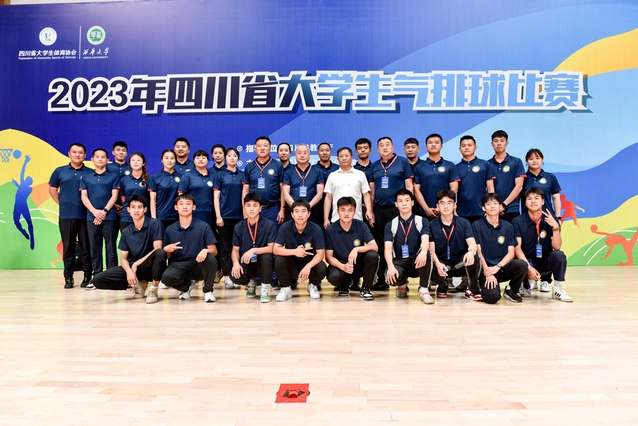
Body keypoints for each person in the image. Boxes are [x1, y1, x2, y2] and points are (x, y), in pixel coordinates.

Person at [92, 195, 166, 301]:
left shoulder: (155, 224)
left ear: (145, 209)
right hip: (134, 269)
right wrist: (129, 271)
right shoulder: (126, 231)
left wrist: (136, 264)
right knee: (98, 280)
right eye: (133, 207)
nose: (136, 210)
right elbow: (123, 258)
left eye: (139, 207)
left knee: (160, 253)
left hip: (150, 267)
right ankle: (136, 284)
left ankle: (153, 288)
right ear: (128, 210)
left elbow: (157, 249)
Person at [368, 136, 413, 290]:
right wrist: (370, 210)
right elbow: (372, 192)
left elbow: (409, 186)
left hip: (398, 210)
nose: (385, 147)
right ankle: (382, 280)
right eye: (381, 145)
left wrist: (408, 208)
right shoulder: (375, 166)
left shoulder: (403, 162)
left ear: (393, 147)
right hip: (379, 210)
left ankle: (402, 281)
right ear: (377, 149)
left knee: (400, 243)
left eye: (387, 144)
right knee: (381, 246)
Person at [513, 187, 572, 302]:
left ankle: (558, 288)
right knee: (520, 263)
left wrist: (556, 228)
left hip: (545, 261)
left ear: (543, 201)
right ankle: (525, 283)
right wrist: (528, 268)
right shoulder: (518, 221)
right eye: (529, 199)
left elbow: (557, 247)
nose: (533, 201)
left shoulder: (551, 219)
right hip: (528, 261)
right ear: (525, 203)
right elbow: (517, 249)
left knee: (559, 255)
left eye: (536, 198)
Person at [48, 143, 93, 288]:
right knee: (68, 248)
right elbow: (52, 189)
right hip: (66, 216)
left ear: (85, 155)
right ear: (69, 153)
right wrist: (62, 204)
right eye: (74, 152)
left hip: (86, 216)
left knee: (86, 247)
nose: (77, 155)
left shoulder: (90, 172)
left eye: (80, 152)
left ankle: (87, 276)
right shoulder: (60, 171)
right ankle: (68, 277)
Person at [161, 194, 219, 303]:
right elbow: (166, 256)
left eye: (188, 204)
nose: (184, 207)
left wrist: (206, 250)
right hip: (179, 266)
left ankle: (207, 291)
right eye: (181, 204)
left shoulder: (203, 226)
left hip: (198, 264)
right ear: (176, 207)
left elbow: (214, 251)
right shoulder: (169, 230)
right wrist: (166, 251)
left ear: (194, 207)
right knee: (166, 278)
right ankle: (186, 287)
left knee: (210, 258)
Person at [472, 193, 528, 304]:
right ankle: (481, 285)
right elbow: (478, 252)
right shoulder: (476, 226)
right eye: (488, 204)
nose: (492, 206)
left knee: (522, 265)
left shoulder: (508, 226)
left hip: (501, 267)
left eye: (495, 203)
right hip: (486, 269)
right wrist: (488, 272)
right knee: (492, 298)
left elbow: (511, 253)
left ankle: (511, 290)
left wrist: (498, 266)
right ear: (483, 208)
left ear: (500, 206)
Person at [428, 190, 481, 302]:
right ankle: (442, 285)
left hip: (459, 264)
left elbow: (472, 243)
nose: (446, 206)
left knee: (475, 257)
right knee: (429, 259)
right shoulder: (431, 225)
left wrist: (471, 252)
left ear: (455, 205)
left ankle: (472, 289)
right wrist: (437, 263)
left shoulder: (464, 223)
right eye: (442, 203)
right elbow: (431, 250)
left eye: (449, 203)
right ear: (437, 206)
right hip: (442, 264)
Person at [325, 196, 378, 300]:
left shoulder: (361, 226)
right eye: (343, 210)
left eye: (350, 210)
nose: (346, 213)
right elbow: (329, 257)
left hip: (357, 264)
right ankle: (344, 286)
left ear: (354, 212)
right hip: (341, 265)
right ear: (337, 211)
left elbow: (374, 246)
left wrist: (356, 249)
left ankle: (366, 289)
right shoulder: (330, 230)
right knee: (333, 276)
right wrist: (343, 266)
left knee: (373, 255)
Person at [273, 199, 327, 301]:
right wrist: (295, 252)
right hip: (292, 265)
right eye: (297, 211)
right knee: (279, 260)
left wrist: (308, 267)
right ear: (292, 214)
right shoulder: (285, 227)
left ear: (309, 214)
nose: (300, 215)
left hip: (309, 265)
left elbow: (320, 254)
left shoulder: (316, 229)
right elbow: (276, 249)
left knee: (321, 267)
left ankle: (313, 285)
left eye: (303, 211)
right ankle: (285, 288)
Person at [80, 148, 120, 281]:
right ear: (92, 159)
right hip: (91, 217)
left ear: (107, 160)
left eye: (103, 157)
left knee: (111, 248)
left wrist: (104, 212)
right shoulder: (86, 177)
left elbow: (114, 196)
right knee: (95, 248)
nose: (100, 159)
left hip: (110, 217)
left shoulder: (113, 176)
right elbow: (84, 196)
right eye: (97, 157)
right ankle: (97, 277)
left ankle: (112, 276)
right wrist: (94, 211)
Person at [384, 189, 432, 299]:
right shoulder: (390, 224)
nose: (404, 203)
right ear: (396, 204)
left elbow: (425, 241)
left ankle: (424, 288)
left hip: (416, 261)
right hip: (399, 262)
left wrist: (424, 251)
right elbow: (388, 249)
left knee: (427, 253)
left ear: (412, 202)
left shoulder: (422, 221)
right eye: (400, 201)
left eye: (407, 200)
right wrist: (390, 266)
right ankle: (402, 284)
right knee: (390, 278)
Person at [231, 192, 277, 302]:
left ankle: (264, 289)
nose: (251, 209)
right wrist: (236, 263)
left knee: (267, 257)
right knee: (234, 274)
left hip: (263, 264)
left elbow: (272, 248)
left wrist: (254, 250)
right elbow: (235, 250)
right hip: (247, 263)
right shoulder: (238, 227)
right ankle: (251, 284)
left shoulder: (269, 225)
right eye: (248, 206)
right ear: (244, 208)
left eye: (255, 206)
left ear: (260, 208)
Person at [213, 147, 246, 288]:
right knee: (225, 248)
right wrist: (218, 216)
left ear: (238, 158)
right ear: (225, 158)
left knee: (238, 247)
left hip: (240, 217)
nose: (232, 158)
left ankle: (237, 275)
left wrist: (245, 215)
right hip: (225, 217)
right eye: (229, 155)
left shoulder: (242, 175)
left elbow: (244, 196)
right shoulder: (220, 175)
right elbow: (216, 197)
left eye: (234, 156)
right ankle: (227, 276)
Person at [323, 147, 374, 227]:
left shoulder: (360, 174)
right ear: (337, 159)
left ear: (352, 157)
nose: (344, 158)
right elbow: (328, 197)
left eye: (346, 156)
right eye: (341, 156)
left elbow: (366, 194)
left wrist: (369, 210)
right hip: (336, 218)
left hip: (356, 217)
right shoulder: (332, 176)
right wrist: (326, 218)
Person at [413, 133, 460, 219]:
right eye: (430, 143)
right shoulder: (419, 167)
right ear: (426, 147)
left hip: (446, 212)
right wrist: (426, 209)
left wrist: (443, 207)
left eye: (436, 142)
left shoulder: (450, 165)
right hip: (424, 213)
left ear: (441, 146)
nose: (433, 145)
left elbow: (454, 188)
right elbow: (416, 190)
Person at [242, 136, 286, 226]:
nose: (262, 148)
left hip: (273, 208)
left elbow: (283, 189)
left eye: (265, 146)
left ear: (270, 148)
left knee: (272, 234)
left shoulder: (278, 165)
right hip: (253, 209)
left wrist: (282, 209)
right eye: (259, 146)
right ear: (255, 149)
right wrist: (245, 210)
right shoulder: (249, 167)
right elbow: (245, 190)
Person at [455, 135, 495, 223]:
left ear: (475, 147)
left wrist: (489, 208)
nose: (466, 148)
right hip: (461, 212)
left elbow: (490, 189)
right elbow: (454, 191)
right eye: (464, 146)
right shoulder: (455, 168)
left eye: (470, 145)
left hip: (480, 211)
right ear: (459, 149)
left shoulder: (485, 165)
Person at [487, 130, 526, 222]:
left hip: (512, 208)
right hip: (493, 210)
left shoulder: (516, 162)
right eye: (496, 141)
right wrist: (495, 205)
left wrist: (504, 204)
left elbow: (519, 186)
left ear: (507, 143)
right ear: (492, 144)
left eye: (502, 141)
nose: (499, 143)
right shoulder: (487, 164)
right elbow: (489, 188)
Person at [283, 144, 324, 225]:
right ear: (295, 155)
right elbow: (286, 194)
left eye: (305, 153)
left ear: (309, 155)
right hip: (293, 212)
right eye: (299, 153)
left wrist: (307, 208)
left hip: (312, 211)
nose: (302, 155)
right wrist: (296, 208)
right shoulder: (289, 172)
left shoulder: (317, 171)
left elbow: (320, 194)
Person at [178, 150, 214, 226]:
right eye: (198, 158)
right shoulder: (187, 175)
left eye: (203, 158)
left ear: (208, 160)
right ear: (194, 161)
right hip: (193, 212)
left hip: (210, 213)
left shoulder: (213, 176)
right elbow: (181, 195)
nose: (200, 160)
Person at [522, 148, 562, 218]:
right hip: (527, 218)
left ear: (542, 159)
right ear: (526, 161)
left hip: (547, 217)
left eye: (537, 158)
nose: (534, 161)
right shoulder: (522, 178)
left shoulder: (550, 177)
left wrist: (558, 217)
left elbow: (556, 198)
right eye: (531, 159)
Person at [149, 149, 180, 229]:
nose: (169, 161)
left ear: (175, 160)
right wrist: (153, 218)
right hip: (161, 217)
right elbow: (152, 199)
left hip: (178, 217)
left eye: (172, 158)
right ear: (162, 160)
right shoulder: (155, 177)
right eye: (166, 158)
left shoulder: (182, 177)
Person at [118, 152, 150, 231]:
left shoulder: (149, 179)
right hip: (127, 216)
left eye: (138, 160)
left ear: (143, 163)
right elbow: (123, 198)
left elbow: (151, 198)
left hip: (144, 215)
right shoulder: (124, 180)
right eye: (133, 160)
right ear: (129, 163)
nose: (136, 162)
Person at [12, 155, 35, 250]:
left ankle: (32, 238)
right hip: (18, 206)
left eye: (27, 179)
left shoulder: (29, 188)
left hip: (22, 206)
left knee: (29, 222)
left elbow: (22, 172)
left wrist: (25, 162)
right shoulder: (23, 186)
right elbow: (22, 174)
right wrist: (17, 184)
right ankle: (24, 232)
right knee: (16, 222)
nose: (25, 179)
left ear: (28, 182)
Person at [106, 141, 130, 228]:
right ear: (113, 152)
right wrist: (114, 205)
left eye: (123, 150)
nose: (121, 152)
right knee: (111, 234)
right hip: (110, 207)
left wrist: (125, 206)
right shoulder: (107, 167)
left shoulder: (132, 167)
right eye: (118, 150)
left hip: (128, 208)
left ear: (126, 153)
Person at [315, 142, 339, 227]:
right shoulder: (312, 169)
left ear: (331, 152)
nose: (324, 153)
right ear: (318, 153)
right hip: (316, 206)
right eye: (322, 151)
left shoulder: (338, 168)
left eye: (327, 150)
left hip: (334, 206)